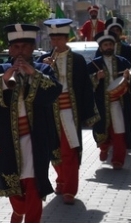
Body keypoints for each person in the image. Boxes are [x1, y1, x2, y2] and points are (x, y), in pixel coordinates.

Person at [0, 23, 61, 223]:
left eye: (25, 47)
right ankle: (19, 208)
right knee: (11, 179)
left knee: (34, 181)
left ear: (33, 48)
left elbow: (54, 91)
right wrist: (6, 79)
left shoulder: (43, 69)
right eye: (16, 48)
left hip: (36, 137)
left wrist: (32, 73)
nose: (20, 52)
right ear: (9, 50)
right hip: (7, 138)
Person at [40, 19, 98, 205]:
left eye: (59, 39)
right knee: (53, 151)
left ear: (66, 39)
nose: (55, 43)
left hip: (70, 113)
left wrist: (88, 112)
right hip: (51, 113)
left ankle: (70, 190)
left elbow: (85, 88)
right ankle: (61, 180)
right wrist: (45, 70)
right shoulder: (43, 61)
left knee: (70, 150)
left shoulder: (78, 60)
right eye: (53, 39)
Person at [89, 33, 131, 169]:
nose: (108, 47)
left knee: (119, 130)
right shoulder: (93, 64)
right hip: (101, 104)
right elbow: (85, 84)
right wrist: (96, 77)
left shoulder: (123, 62)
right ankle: (104, 148)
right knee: (102, 129)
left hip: (118, 103)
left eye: (110, 44)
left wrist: (128, 77)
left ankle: (118, 160)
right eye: (105, 45)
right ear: (101, 47)